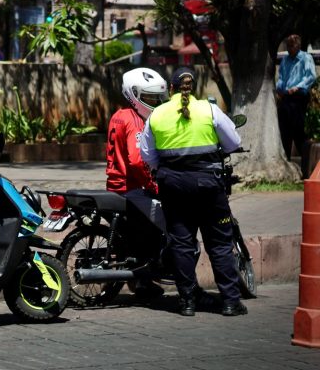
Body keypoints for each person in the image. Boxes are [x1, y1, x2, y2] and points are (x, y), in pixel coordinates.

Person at [140, 67, 247, 317]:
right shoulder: (209, 110)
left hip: (173, 188)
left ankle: (187, 302)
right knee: (220, 244)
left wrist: (170, 168)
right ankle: (231, 302)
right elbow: (233, 141)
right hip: (209, 186)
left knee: (181, 244)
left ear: (171, 89)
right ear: (193, 87)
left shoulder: (156, 116)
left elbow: (147, 156)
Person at [106, 67, 168, 299]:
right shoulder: (134, 121)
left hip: (116, 186)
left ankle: (143, 278)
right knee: (170, 221)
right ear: (133, 95)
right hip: (131, 188)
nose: (154, 102)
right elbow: (136, 161)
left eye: (156, 98)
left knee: (143, 233)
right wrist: (154, 186)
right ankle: (149, 279)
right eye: (150, 98)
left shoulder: (119, 115)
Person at [276, 34, 317, 171]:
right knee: (284, 132)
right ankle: (286, 164)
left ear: (298, 45)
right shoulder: (285, 60)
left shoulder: (305, 58)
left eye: (291, 45)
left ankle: (308, 167)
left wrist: (298, 87)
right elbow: (281, 77)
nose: (289, 48)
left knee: (298, 131)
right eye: (287, 45)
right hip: (286, 97)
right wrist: (279, 89)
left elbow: (311, 76)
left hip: (298, 96)